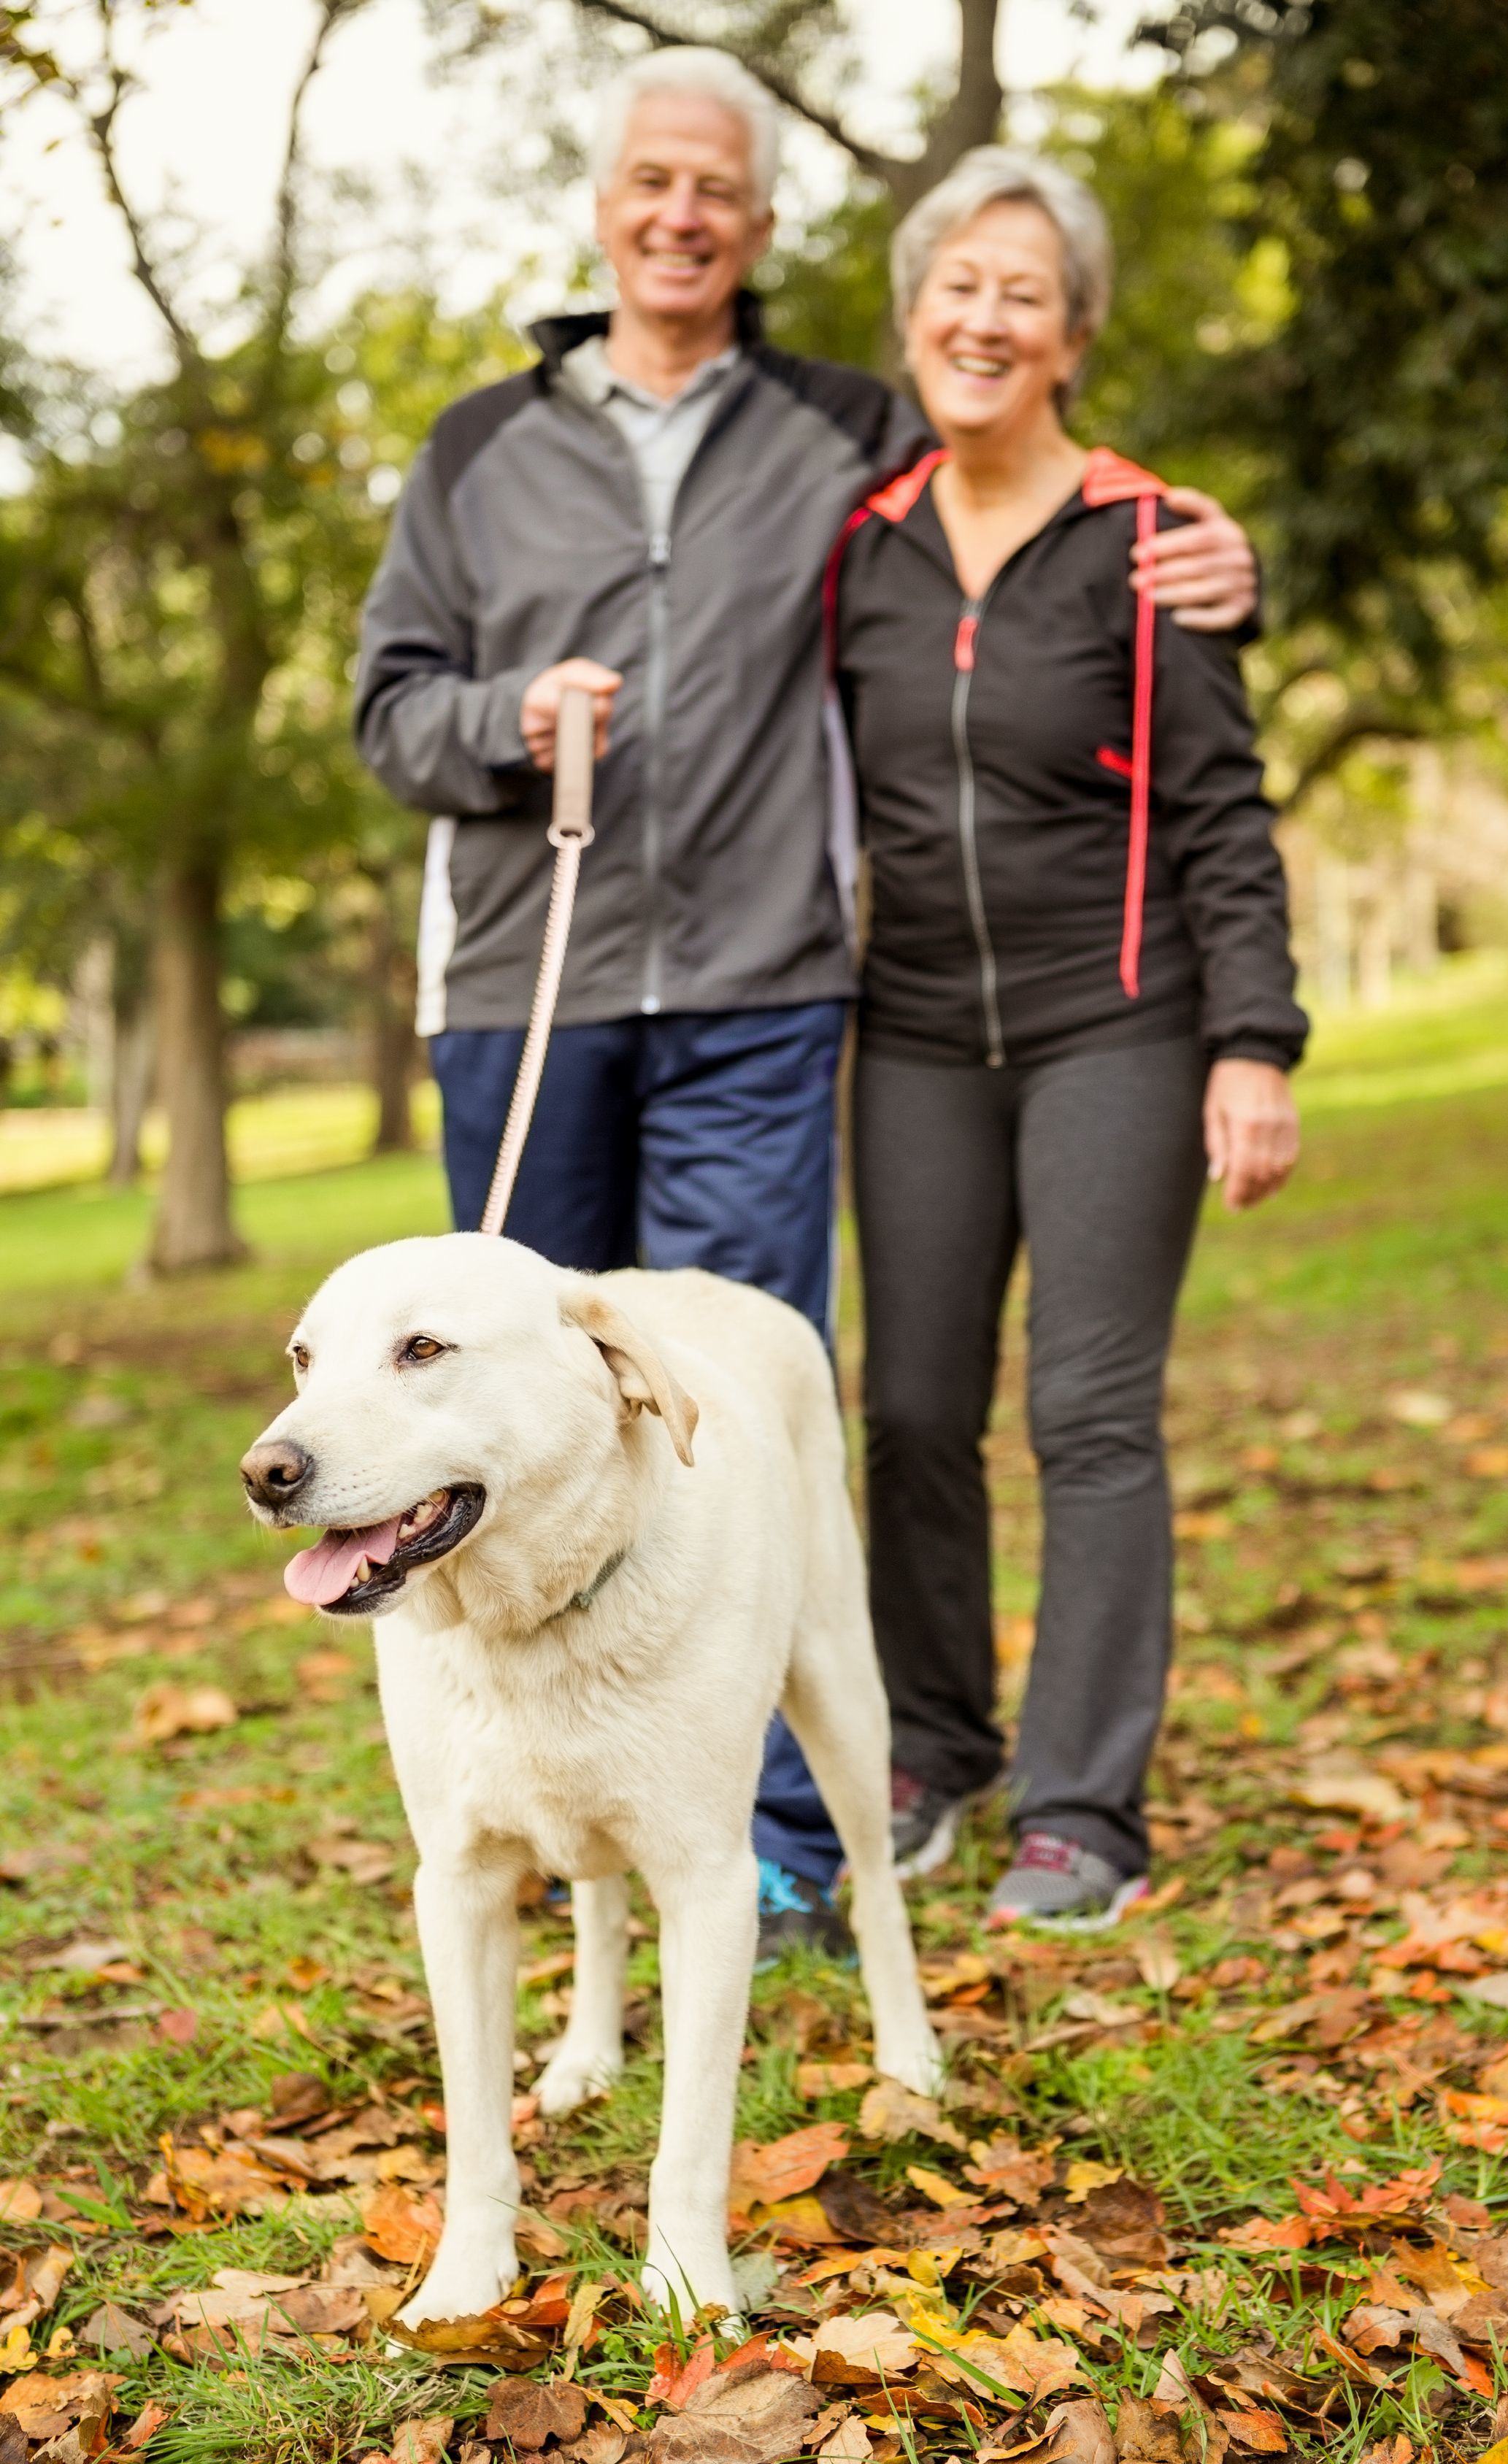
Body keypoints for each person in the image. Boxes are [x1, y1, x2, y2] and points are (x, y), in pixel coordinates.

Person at [354, 55, 1263, 1957]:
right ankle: (524, 1811)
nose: (683, 215)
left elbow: (1057, 511)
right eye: (652, 181)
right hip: (549, 995)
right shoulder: (476, 451)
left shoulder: (840, 434)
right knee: (511, 1420)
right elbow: (387, 711)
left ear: (762, 234)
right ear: (605, 206)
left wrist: (1225, 559)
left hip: (775, 999)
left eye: (722, 192)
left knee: (736, 1428)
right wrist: (497, 722)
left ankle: (777, 1830)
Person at [832, 147, 1308, 1927]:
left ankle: (1083, 1805)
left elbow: (1222, 813)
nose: (983, 315)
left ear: (1072, 334)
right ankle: (929, 1742)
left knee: (1089, 1409)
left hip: (1117, 1022)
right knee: (909, 1407)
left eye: (1021, 292)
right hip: (918, 1035)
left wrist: (1247, 1040)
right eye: (958, 283)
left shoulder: (1147, 541)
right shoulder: (858, 551)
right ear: (912, 312)